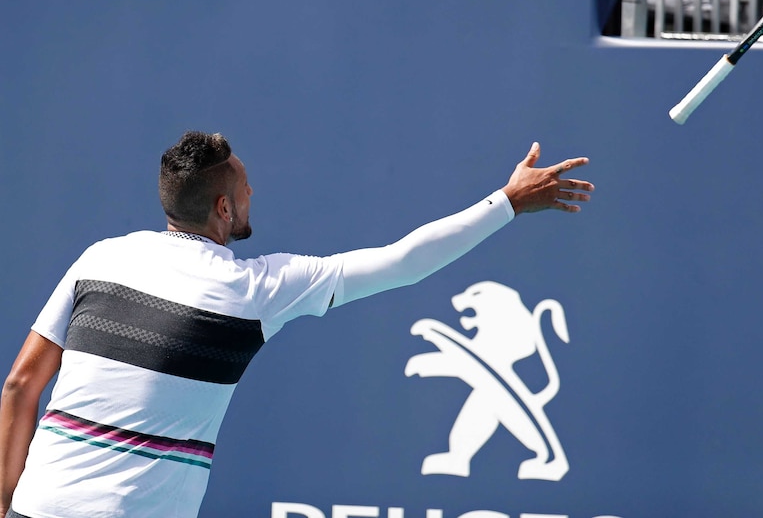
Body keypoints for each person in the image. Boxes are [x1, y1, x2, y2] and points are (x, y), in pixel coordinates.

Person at [0, 131, 593, 518]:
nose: (253, 189)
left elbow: (21, 386)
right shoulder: (257, 288)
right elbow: (405, 261)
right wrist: (507, 202)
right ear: (223, 209)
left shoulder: (99, 257)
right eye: (243, 185)